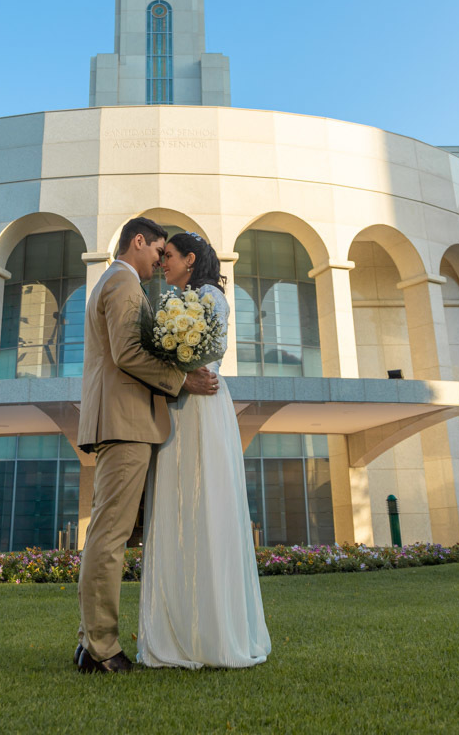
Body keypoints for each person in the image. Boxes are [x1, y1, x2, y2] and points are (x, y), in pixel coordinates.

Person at [75, 217, 219, 674]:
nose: (160, 263)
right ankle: (100, 648)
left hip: (130, 421)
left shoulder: (119, 282)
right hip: (124, 423)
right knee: (110, 536)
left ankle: (90, 641)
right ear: (138, 241)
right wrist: (182, 380)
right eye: (158, 252)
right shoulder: (121, 282)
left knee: (113, 533)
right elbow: (127, 353)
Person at [137, 231, 271, 669]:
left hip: (200, 406)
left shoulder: (208, 298)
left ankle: (209, 633)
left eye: (170, 256)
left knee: (203, 508)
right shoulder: (181, 297)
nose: (163, 263)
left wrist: (177, 369)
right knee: (178, 508)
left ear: (191, 259)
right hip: (181, 404)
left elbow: (202, 361)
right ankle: (179, 628)